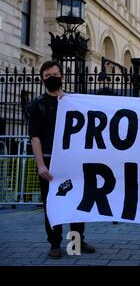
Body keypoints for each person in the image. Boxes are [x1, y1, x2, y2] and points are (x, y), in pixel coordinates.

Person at [28, 61, 96, 259]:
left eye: (55, 74)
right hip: (49, 161)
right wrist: (40, 164)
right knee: (52, 204)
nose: (52, 78)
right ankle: (55, 243)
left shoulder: (73, 101)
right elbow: (35, 137)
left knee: (77, 202)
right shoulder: (37, 104)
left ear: (62, 76)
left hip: (73, 161)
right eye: (47, 75)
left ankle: (77, 241)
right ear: (42, 79)